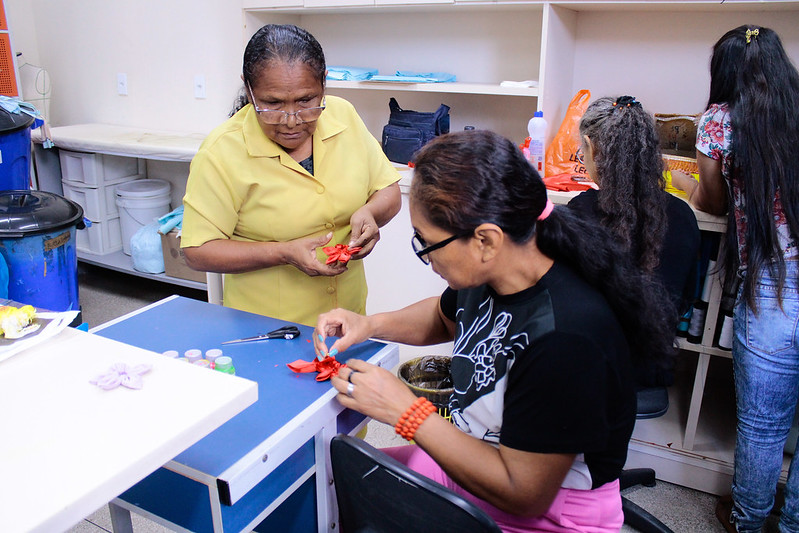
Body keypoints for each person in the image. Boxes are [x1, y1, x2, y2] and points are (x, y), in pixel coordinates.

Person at [314, 130, 677, 531]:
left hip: (543, 511)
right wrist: (371, 324)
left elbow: (523, 493)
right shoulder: (492, 274)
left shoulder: (567, 341)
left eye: (428, 244)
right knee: (333, 483)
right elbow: (443, 317)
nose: (427, 257)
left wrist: (407, 412)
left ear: (485, 240)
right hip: (477, 459)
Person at [181, 24, 401, 326]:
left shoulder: (343, 115)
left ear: (324, 83)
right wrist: (282, 252)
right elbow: (197, 250)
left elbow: (387, 190)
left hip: (348, 319)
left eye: (306, 101)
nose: (291, 121)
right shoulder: (222, 151)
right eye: (272, 104)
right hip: (268, 326)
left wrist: (372, 212)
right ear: (249, 90)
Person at [671, 25, 799, 533]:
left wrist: (677, 178)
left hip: (772, 289)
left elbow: (711, 201)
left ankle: (748, 524)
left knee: (763, 428)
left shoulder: (720, 121)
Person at [569, 95, 700, 387]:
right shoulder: (682, 216)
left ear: (591, 146)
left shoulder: (579, 212)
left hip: (587, 365)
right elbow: (686, 299)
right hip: (651, 365)